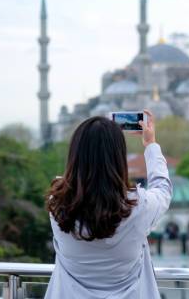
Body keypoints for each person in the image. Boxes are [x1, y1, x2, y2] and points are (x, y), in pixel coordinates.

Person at [44, 110, 173, 299]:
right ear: (119, 157)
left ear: (75, 155)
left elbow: (74, 184)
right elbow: (163, 189)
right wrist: (150, 145)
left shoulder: (57, 205)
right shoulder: (139, 206)